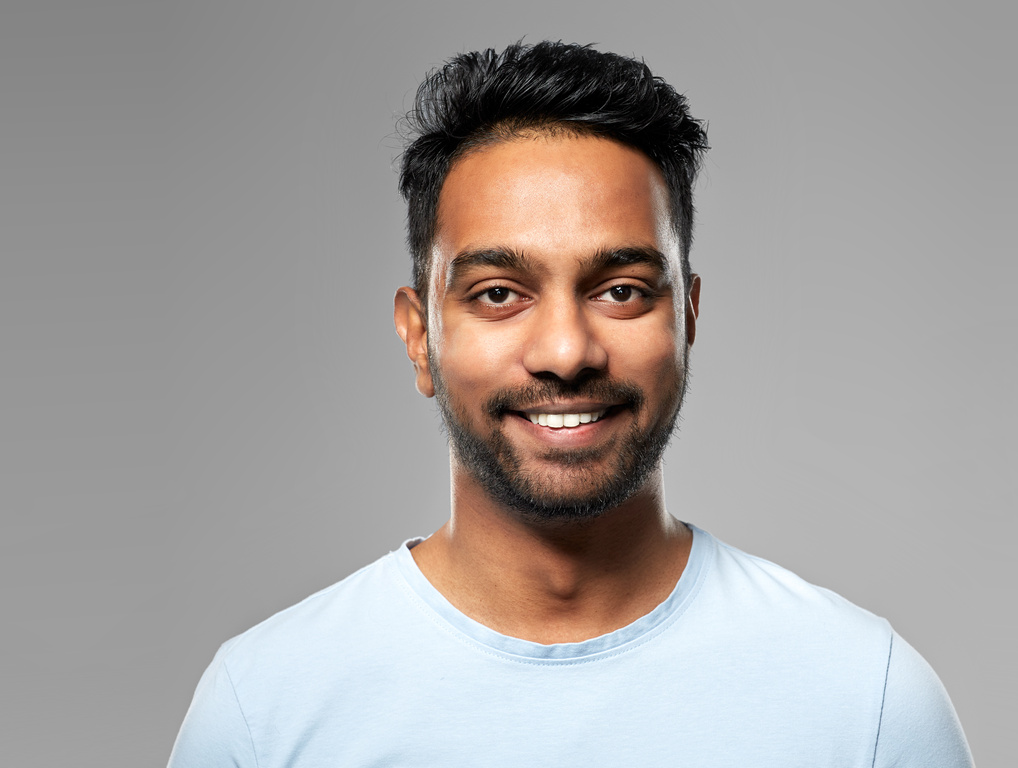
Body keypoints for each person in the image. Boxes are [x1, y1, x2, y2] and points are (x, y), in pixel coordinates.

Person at [169, 41, 973, 767]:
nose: (565, 352)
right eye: (498, 294)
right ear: (420, 337)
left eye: (621, 290)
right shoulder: (263, 711)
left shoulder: (865, 702)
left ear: (688, 318)